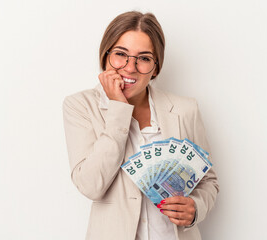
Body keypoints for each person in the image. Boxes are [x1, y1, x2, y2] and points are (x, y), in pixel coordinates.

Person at [63, 11, 219, 240]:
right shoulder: (80, 106)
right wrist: (118, 109)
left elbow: (209, 180)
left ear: (156, 68)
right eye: (120, 54)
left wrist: (195, 208)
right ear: (105, 56)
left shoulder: (186, 109)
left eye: (144, 58)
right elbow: (91, 186)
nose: (130, 67)